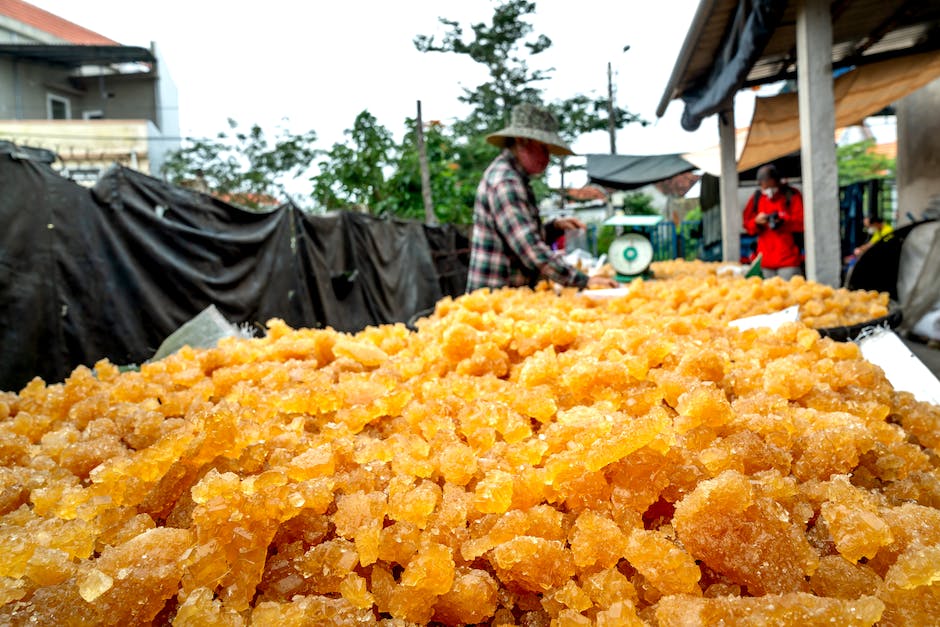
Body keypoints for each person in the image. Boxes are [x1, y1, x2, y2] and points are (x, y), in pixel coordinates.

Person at [466, 103, 618, 292]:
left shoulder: (516, 179)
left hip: (510, 297)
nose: (547, 159)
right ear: (522, 141)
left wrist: (554, 227)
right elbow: (530, 249)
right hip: (493, 301)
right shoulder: (506, 182)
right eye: (544, 149)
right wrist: (583, 280)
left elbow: (519, 235)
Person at [742, 164, 805, 279]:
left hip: (788, 261)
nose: (764, 187)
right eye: (762, 184)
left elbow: (802, 223)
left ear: (774, 180)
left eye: (766, 182)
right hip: (765, 262)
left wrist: (782, 221)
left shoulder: (791, 195)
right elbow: (747, 224)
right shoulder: (757, 197)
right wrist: (756, 222)